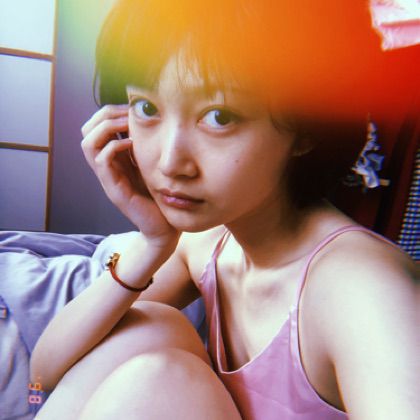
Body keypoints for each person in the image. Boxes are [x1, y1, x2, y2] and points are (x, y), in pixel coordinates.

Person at [30, 0, 419, 419]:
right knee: (152, 328)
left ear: (308, 126)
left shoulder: (362, 289)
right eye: (147, 108)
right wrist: (152, 242)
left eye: (220, 117)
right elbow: (43, 375)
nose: (170, 163)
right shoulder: (209, 245)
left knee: (161, 378)